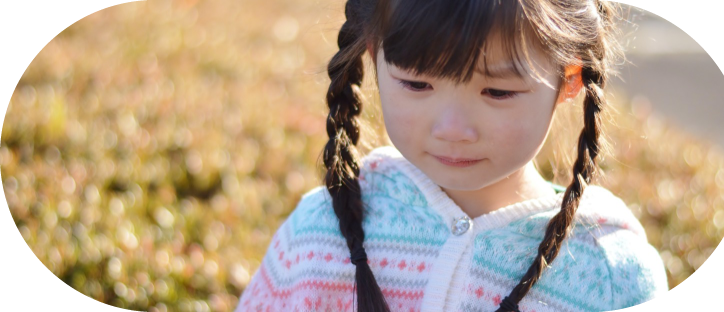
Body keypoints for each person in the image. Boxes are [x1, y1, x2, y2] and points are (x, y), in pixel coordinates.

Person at [235, 0, 669, 311]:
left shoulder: (610, 273)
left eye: (497, 92)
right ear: (374, 53)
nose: (453, 130)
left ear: (569, 79)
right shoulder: (321, 235)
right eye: (416, 84)